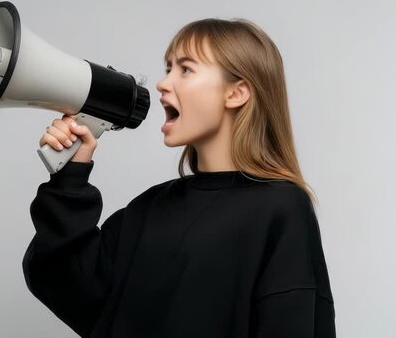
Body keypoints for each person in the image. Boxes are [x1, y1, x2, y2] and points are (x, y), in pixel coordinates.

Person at [22, 18, 336, 338]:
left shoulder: (280, 207)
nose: (162, 83)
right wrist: (69, 179)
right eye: (168, 68)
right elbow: (70, 287)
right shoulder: (150, 208)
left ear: (237, 92)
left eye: (185, 69)